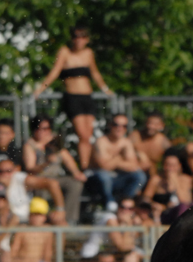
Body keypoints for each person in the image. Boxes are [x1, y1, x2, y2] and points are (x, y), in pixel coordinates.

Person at [33, 24, 112, 170]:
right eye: (76, 37)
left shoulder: (88, 53)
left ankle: (87, 166)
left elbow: (95, 73)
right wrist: (40, 89)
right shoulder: (65, 52)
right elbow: (55, 72)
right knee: (82, 134)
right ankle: (84, 166)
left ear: (87, 39)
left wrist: (106, 89)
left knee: (88, 135)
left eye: (82, 37)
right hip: (73, 97)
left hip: (87, 96)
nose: (79, 40)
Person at [23, 117, 86, 224]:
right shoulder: (30, 145)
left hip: (56, 178)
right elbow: (30, 169)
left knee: (75, 183)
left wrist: (76, 173)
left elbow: (67, 158)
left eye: (46, 129)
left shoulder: (55, 143)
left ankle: (69, 219)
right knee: (49, 185)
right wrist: (46, 162)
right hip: (40, 180)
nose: (43, 132)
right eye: (39, 128)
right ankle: (48, 220)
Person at [89, 114, 147, 212]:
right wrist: (119, 158)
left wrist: (114, 161)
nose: (120, 128)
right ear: (110, 125)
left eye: (124, 126)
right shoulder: (101, 142)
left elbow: (133, 166)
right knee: (104, 176)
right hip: (98, 181)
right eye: (116, 125)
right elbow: (104, 166)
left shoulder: (126, 142)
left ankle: (125, 202)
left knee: (140, 176)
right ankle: (109, 203)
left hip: (118, 178)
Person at [9, 197, 56, 262]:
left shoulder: (47, 231)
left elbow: (48, 252)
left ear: (44, 217)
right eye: (33, 214)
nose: (36, 217)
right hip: (22, 261)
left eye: (39, 214)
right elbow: (14, 250)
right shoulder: (22, 229)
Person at [0, 157, 63, 223]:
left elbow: (52, 184)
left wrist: (60, 209)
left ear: (16, 170)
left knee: (60, 222)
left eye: (8, 171)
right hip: (5, 223)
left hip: (27, 221)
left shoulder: (20, 178)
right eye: (1, 171)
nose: (4, 174)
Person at [143, 150, 193, 224]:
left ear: (179, 166)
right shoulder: (156, 179)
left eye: (173, 165)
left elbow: (186, 201)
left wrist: (175, 183)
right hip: (161, 214)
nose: (170, 169)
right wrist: (154, 204)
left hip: (179, 215)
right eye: (167, 165)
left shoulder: (185, 179)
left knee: (183, 207)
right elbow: (145, 199)